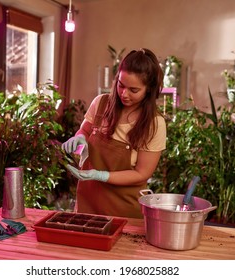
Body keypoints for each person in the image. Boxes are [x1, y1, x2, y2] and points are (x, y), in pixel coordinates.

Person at [62, 48, 166, 218]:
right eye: (121, 85)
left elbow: (142, 173)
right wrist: (79, 137)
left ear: (149, 89)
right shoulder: (101, 103)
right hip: (88, 204)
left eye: (133, 90)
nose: (124, 94)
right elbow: (86, 129)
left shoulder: (154, 123)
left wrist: (101, 175)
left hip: (124, 210)